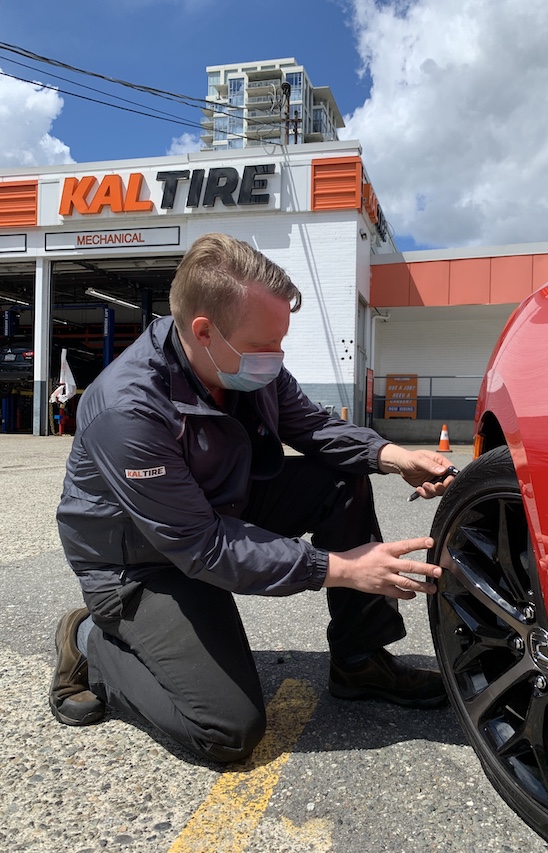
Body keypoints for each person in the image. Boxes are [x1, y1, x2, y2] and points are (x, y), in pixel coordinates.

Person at [50, 233, 456, 764]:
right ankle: (92, 643)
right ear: (204, 330)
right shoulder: (128, 412)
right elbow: (202, 547)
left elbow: (310, 426)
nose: (277, 357)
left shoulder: (243, 360)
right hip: (141, 563)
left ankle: (360, 662)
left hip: (219, 504)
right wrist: (340, 567)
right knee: (225, 730)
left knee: (341, 480)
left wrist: (391, 454)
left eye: (281, 342)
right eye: (267, 345)